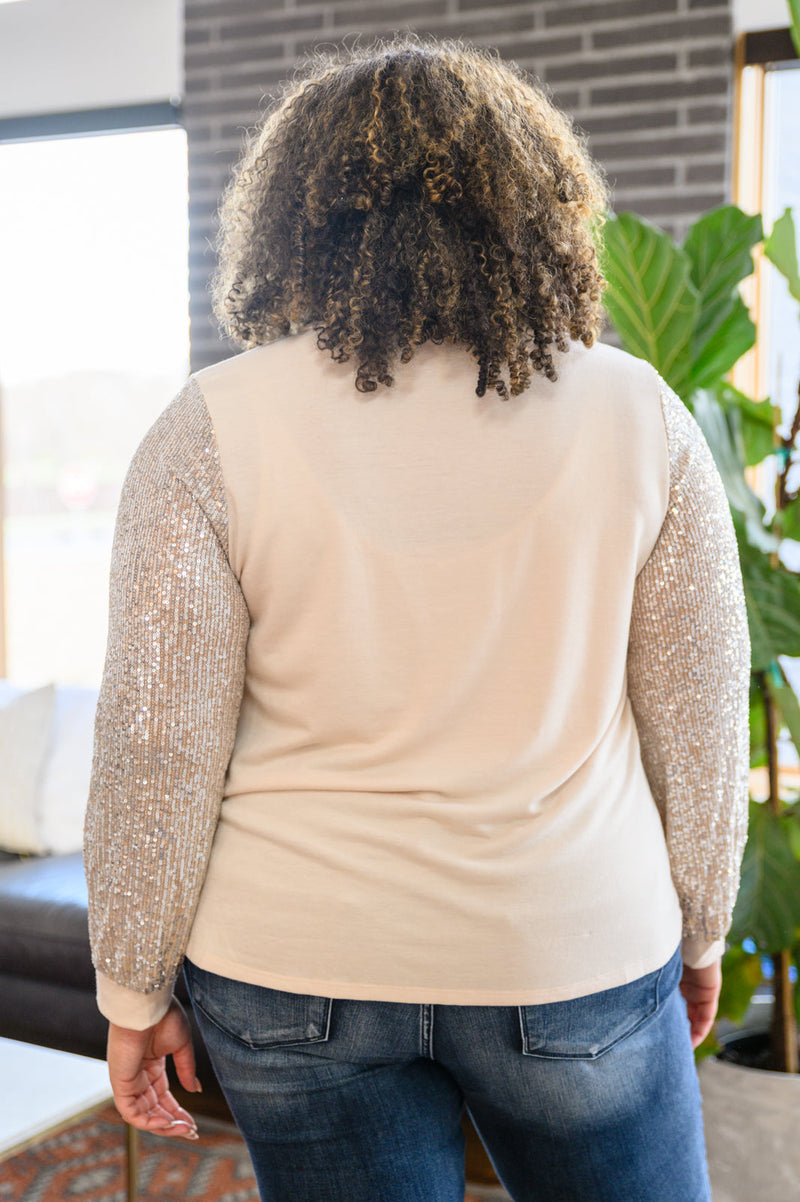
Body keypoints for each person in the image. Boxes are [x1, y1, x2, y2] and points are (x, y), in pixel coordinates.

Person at [84, 35, 750, 1202]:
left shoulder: (210, 425)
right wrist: (699, 931)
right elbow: (699, 719)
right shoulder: (637, 413)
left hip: (291, 968)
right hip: (568, 944)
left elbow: (154, 744)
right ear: (533, 206)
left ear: (295, 217)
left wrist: (133, 992)